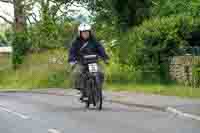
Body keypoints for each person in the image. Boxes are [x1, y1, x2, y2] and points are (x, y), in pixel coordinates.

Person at [68, 23, 109, 101]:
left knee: (100, 73)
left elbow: (101, 49)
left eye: (87, 32)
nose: (85, 34)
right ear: (80, 33)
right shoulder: (76, 42)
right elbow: (72, 52)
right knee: (77, 73)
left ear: (90, 32)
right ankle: (83, 91)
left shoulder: (94, 41)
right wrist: (72, 60)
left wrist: (105, 58)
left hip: (94, 62)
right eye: (83, 32)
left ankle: (98, 91)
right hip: (81, 62)